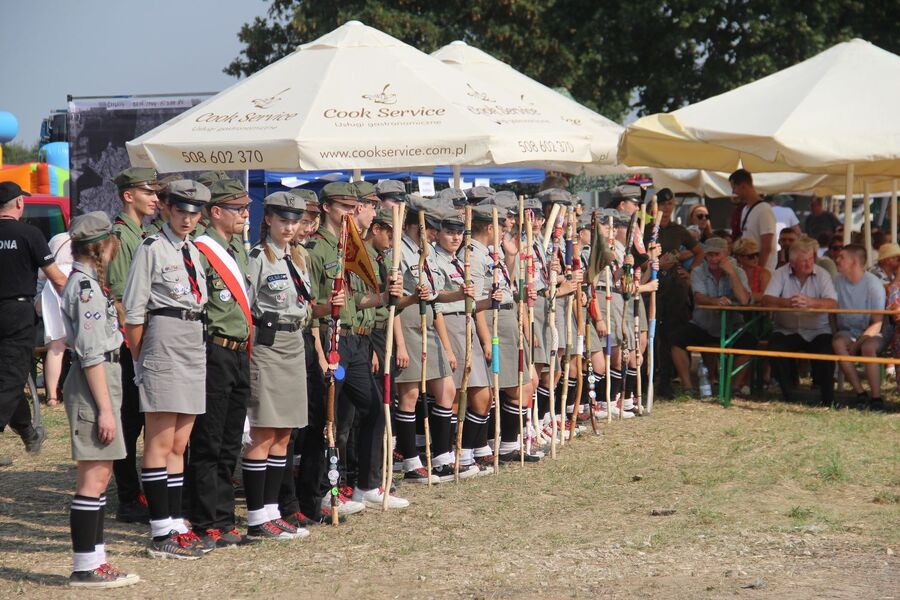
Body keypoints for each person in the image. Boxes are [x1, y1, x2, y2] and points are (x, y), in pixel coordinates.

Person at [301, 182, 405, 520]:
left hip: (355, 343)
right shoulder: (316, 249)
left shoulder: (351, 246)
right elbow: (310, 305)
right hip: (331, 340)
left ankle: (366, 483)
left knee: (374, 407)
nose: (351, 212)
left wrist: (386, 297)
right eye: (345, 207)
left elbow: (359, 298)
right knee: (329, 422)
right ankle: (319, 494)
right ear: (328, 207)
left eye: (353, 206)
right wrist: (318, 350)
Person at [122, 180, 209, 559]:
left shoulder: (194, 250)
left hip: (193, 339)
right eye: (181, 211)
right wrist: (142, 359)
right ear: (167, 209)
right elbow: (134, 310)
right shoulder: (152, 248)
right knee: (159, 440)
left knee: (179, 442)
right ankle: (160, 531)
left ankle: (174, 520)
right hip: (163, 337)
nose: (188, 219)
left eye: (194, 213)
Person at [60, 211, 140, 588]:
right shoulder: (86, 288)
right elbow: (91, 354)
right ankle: (86, 564)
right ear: (101, 247)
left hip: (102, 379)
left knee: (100, 475)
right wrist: (107, 411)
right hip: (95, 383)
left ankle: (96, 559)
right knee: (92, 478)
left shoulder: (89, 282)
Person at [184, 179, 254, 551]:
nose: (246, 214)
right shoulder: (201, 249)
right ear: (215, 213)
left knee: (230, 441)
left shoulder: (237, 249)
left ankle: (224, 517)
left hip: (241, 350)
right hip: (214, 351)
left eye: (245, 208)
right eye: (238, 209)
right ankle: (206, 518)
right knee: (209, 440)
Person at [241, 192, 314, 541]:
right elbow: (247, 304)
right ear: (267, 219)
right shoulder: (257, 257)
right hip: (267, 344)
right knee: (264, 430)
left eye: (294, 221)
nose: (289, 226)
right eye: (283, 220)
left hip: (294, 343)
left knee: (285, 432)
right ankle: (257, 515)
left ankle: (272, 510)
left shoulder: (298, 258)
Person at [0, 181, 67, 465]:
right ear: (18, 204)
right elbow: (57, 278)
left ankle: (28, 432)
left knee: (8, 377)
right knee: (13, 376)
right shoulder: (29, 234)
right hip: (17, 312)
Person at [107, 167, 160, 525]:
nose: (155, 198)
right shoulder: (120, 236)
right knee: (129, 422)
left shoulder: (144, 233)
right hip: (130, 342)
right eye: (148, 192)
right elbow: (122, 298)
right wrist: (137, 350)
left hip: (148, 338)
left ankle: (138, 490)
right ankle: (128, 496)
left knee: (145, 418)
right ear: (128, 195)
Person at [430, 208, 495, 476]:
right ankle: (449, 456)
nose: (455, 238)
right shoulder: (434, 259)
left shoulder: (460, 261)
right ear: (438, 233)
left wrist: (490, 300)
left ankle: (465, 451)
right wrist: (446, 346)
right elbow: (436, 304)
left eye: (459, 233)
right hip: (449, 325)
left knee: (482, 396)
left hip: (466, 323)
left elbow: (470, 302)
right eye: (449, 232)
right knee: (454, 397)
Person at [670, 237, 753, 393]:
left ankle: (733, 388)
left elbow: (744, 300)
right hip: (704, 325)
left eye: (717, 254)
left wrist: (732, 274)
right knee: (676, 339)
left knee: (749, 343)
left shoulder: (739, 272)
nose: (713, 259)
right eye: (710, 255)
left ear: (726, 254)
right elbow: (699, 297)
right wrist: (715, 301)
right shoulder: (698, 271)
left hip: (731, 326)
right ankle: (687, 386)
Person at [762, 237, 837, 405]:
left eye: (811, 259)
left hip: (817, 330)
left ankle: (827, 399)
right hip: (787, 330)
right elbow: (767, 299)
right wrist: (786, 303)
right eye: (804, 260)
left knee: (826, 348)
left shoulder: (822, 274)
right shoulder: (781, 273)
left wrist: (811, 302)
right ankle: (788, 395)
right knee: (775, 346)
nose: (809, 264)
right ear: (793, 262)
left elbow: (832, 302)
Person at [644, 188, 700, 399]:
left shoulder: (678, 230)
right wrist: (655, 263)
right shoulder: (647, 230)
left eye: (669, 205)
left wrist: (689, 270)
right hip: (651, 287)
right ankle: (646, 380)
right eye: (662, 205)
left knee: (670, 336)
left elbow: (699, 251)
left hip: (674, 290)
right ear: (652, 209)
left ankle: (665, 382)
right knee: (651, 336)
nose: (666, 209)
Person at [832, 244, 887, 410]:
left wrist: (857, 344)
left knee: (868, 348)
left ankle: (876, 397)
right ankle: (860, 393)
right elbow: (830, 311)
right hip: (847, 331)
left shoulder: (873, 284)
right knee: (837, 342)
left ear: (854, 262)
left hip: (873, 331)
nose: (837, 260)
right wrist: (834, 331)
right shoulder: (836, 282)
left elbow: (878, 323)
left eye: (842, 257)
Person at [38, 230, 74, 407]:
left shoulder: (57, 238)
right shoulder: (86, 237)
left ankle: (52, 396)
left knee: (56, 346)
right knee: (83, 342)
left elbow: (42, 272)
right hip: (75, 279)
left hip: (53, 282)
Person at [730, 169, 776, 273]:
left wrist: (758, 272)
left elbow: (767, 247)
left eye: (734, 188)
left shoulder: (764, 210)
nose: (733, 192)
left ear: (743, 186)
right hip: (748, 271)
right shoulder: (745, 209)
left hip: (763, 273)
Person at [732, 237, 770, 303]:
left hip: (758, 311)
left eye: (757, 254)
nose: (755, 258)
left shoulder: (764, 273)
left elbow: (767, 296)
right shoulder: (734, 271)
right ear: (740, 257)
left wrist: (744, 296)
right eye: (751, 256)